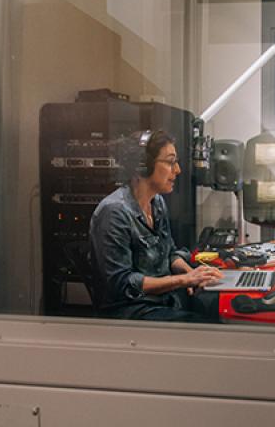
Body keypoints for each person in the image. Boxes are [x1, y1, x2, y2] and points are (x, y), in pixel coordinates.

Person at [89, 130, 223, 321]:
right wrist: (183, 280)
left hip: (163, 301)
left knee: (219, 306)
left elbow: (169, 253)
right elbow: (122, 284)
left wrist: (192, 273)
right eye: (170, 162)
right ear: (143, 166)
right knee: (208, 328)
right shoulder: (113, 213)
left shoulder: (157, 203)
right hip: (131, 311)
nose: (177, 170)